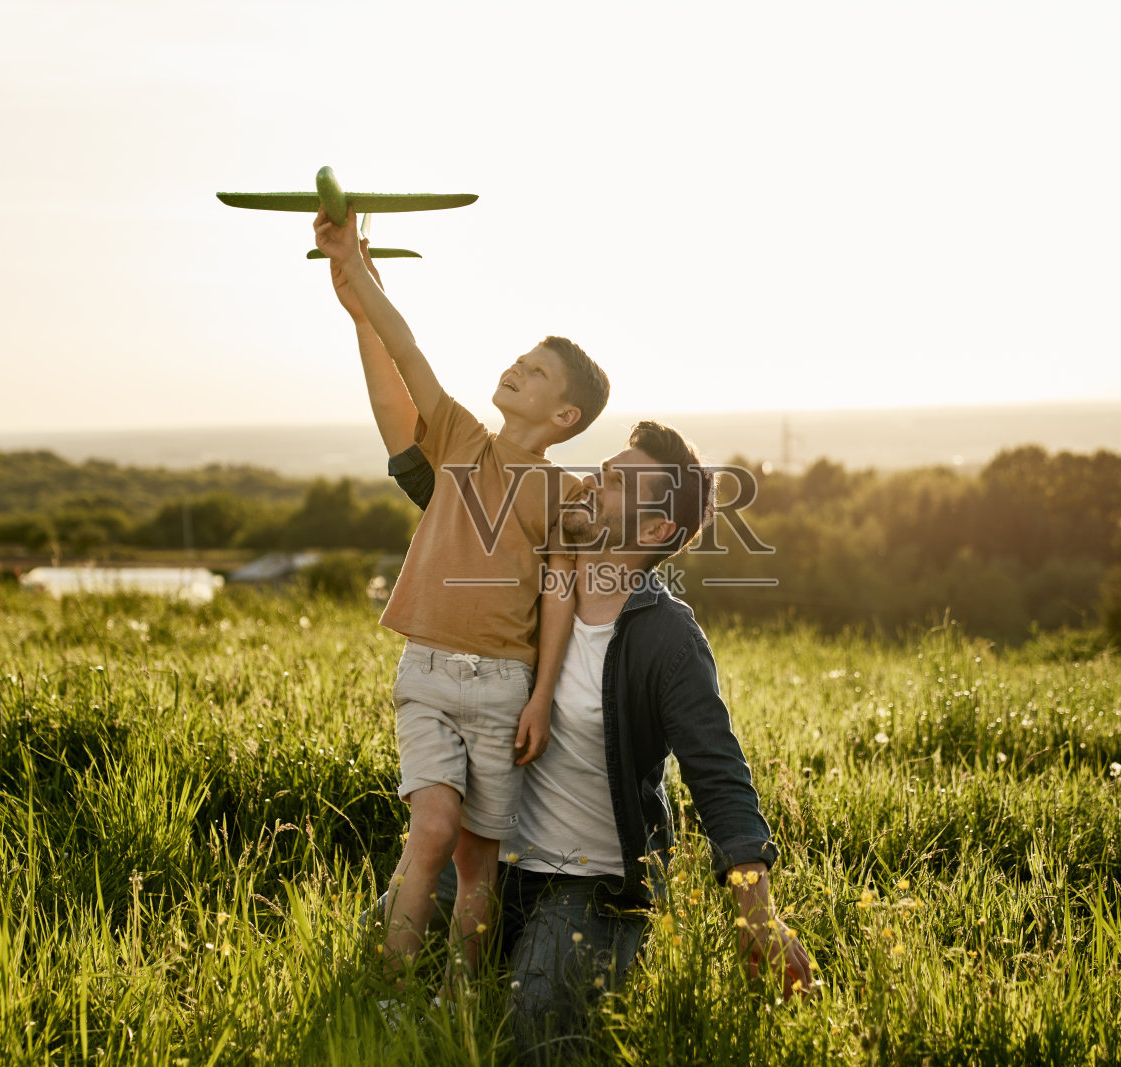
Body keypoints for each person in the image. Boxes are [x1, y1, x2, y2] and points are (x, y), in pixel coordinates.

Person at [328, 252, 814, 1056]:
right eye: (601, 471)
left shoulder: (664, 638)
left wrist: (757, 912)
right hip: (490, 853)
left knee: (535, 1029)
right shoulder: (520, 564)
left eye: (616, 485)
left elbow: (718, 771)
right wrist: (360, 305)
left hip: (588, 880)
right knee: (378, 960)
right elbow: (408, 429)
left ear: (655, 529)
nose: (591, 485)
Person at [313, 209, 610, 978]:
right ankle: (389, 987)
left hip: (506, 687)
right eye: (519, 359)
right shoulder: (457, 438)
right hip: (428, 673)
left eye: (535, 372)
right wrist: (356, 271)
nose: (516, 368)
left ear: (565, 415)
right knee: (432, 829)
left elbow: (558, 599)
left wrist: (540, 696)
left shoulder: (565, 494)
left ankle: (459, 1001)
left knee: (479, 863)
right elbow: (406, 350)